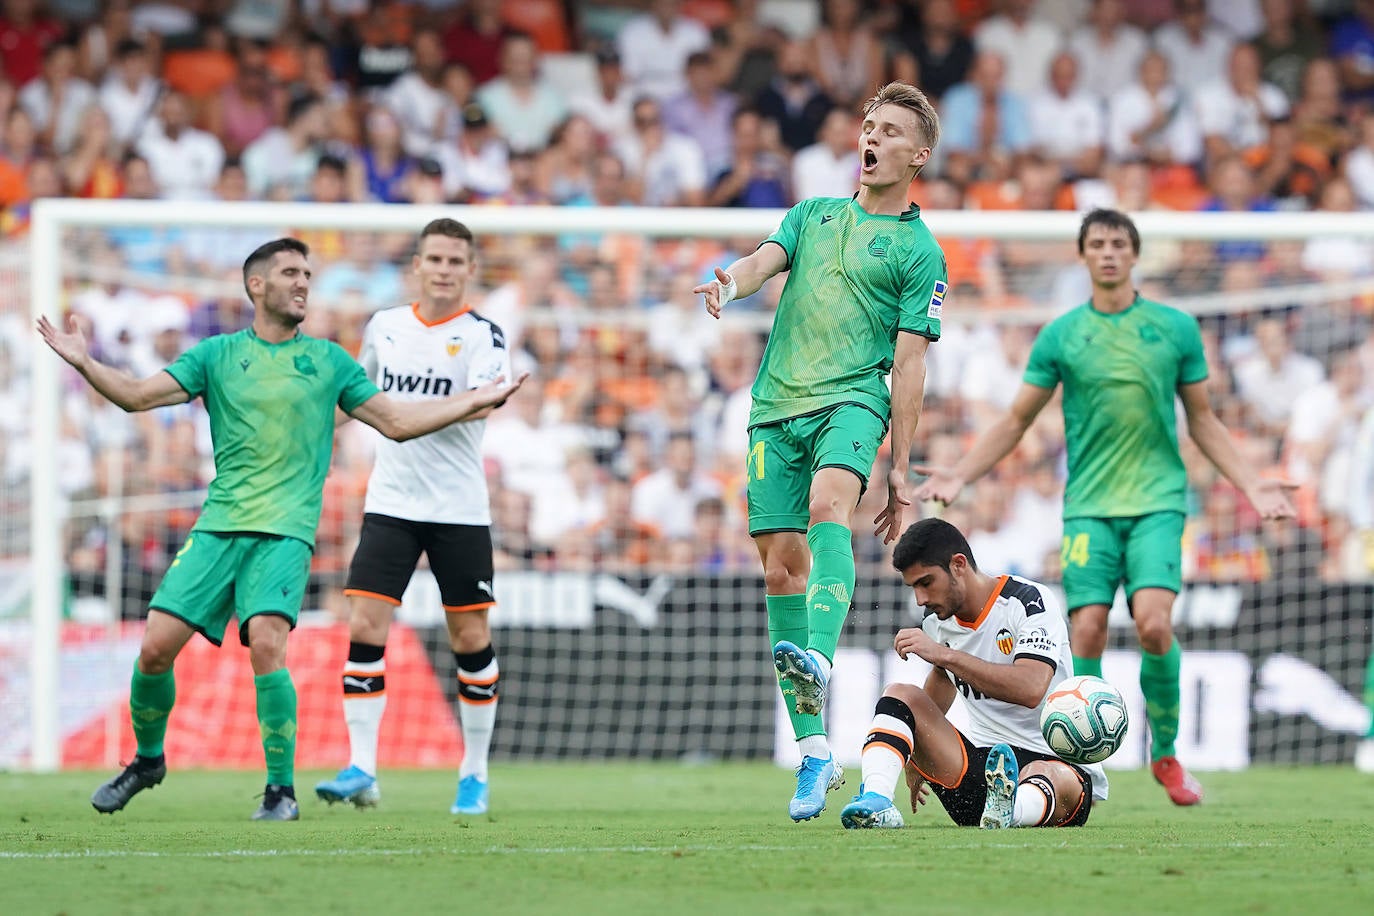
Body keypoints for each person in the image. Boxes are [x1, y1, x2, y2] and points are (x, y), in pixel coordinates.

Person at [37, 238, 525, 821]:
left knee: (267, 643)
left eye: (308, 274)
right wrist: (85, 362)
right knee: (153, 651)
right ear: (256, 286)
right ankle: (146, 760)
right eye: (290, 273)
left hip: (286, 532)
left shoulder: (330, 362)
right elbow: (139, 397)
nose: (302, 283)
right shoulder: (215, 355)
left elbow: (395, 423)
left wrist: (476, 399)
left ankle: (280, 791)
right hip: (218, 527)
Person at [914, 208, 1296, 807]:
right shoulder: (1062, 335)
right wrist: (961, 472)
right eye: (1098, 244)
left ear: (1135, 254)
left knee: (1153, 623)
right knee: (1087, 626)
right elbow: (1017, 419)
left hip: (1158, 503)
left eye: (1119, 243)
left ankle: (1165, 754)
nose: (1109, 252)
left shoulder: (1174, 328)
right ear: (1084, 255)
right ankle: (1076, 758)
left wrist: (1254, 484)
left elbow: (1203, 420)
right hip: (1088, 506)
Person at [695, 81, 947, 822]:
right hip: (775, 407)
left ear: (918, 154)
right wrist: (728, 284)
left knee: (828, 504)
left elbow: (909, 364)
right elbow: (761, 261)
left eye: (889, 130)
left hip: (852, 400)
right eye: (868, 126)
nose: (871, 138)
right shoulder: (812, 214)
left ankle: (822, 659)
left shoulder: (918, 251)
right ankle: (813, 754)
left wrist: (900, 467)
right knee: (780, 564)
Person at [314, 219, 511, 816]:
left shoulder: (484, 335)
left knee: (469, 638)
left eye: (456, 260)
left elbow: (482, 401)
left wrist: (429, 411)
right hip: (392, 501)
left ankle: (474, 773)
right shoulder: (386, 327)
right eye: (436, 259)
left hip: (457, 508)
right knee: (365, 624)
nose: (445, 270)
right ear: (418, 265)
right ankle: (362, 767)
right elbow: (361, 396)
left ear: (470, 269)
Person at [840, 517, 1105, 830]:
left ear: (958, 565)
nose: (920, 599)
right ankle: (876, 802)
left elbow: (1031, 688)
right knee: (900, 694)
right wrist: (915, 751)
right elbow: (939, 685)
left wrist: (945, 654)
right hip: (979, 772)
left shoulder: (1029, 602)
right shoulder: (938, 622)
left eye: (926, 583)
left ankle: (1011, 808)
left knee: (1048, 774)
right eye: (913, 588)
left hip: (1053, 769)